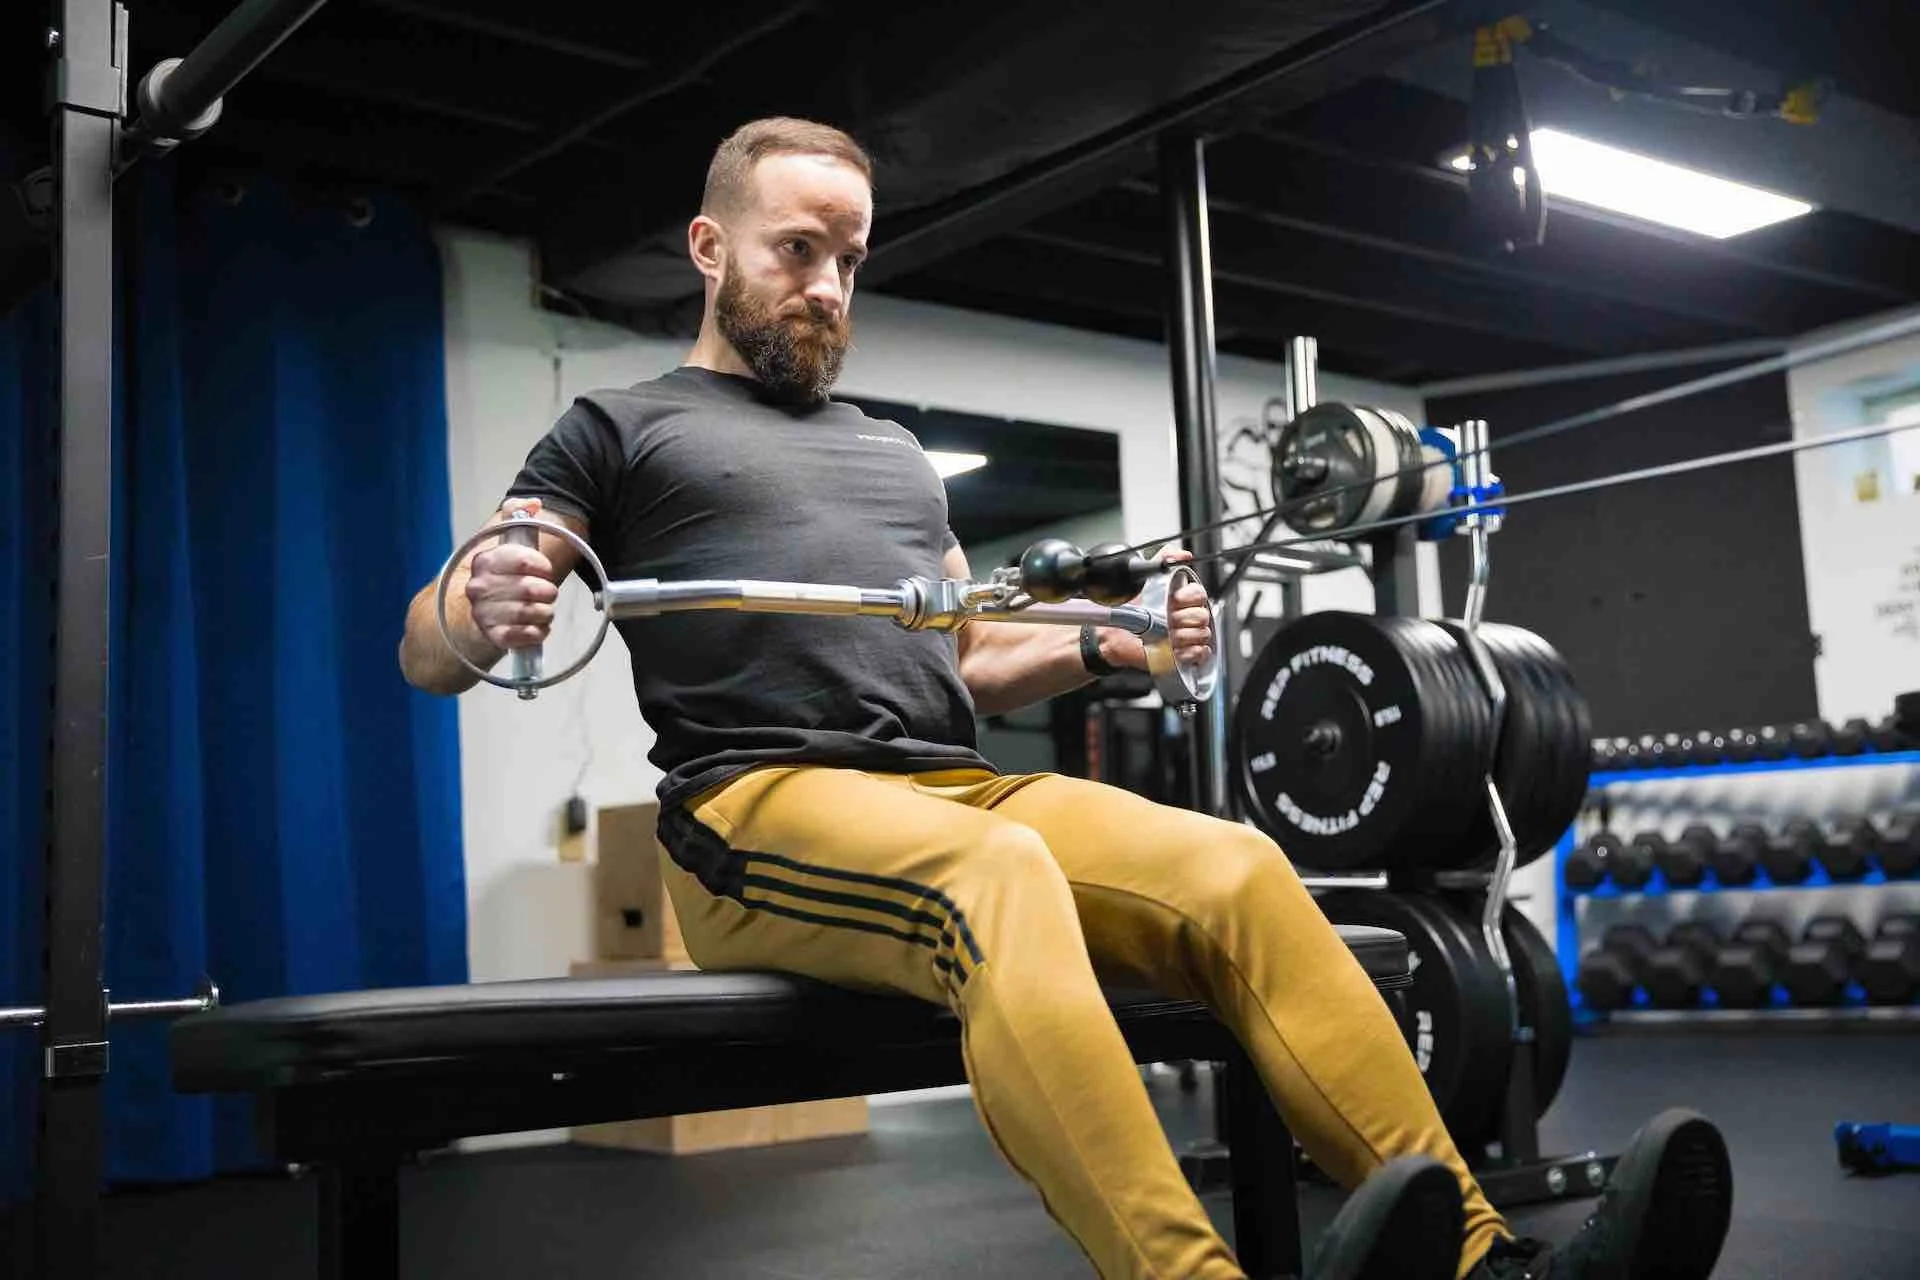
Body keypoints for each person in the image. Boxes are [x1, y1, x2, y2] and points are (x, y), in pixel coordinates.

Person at [399, 117, 1733, 1280]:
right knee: (998, 878)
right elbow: (435, 639)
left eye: (850, 260)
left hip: (948, 787)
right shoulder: (618, 429)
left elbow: (967, 656)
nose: (826, 287)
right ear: (709, 247)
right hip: (753, 815)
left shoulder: (895, 459)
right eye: (795, 250)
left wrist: (1117, 642)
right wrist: (479, 610)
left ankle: (1483, 1266)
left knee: (1236, 870)